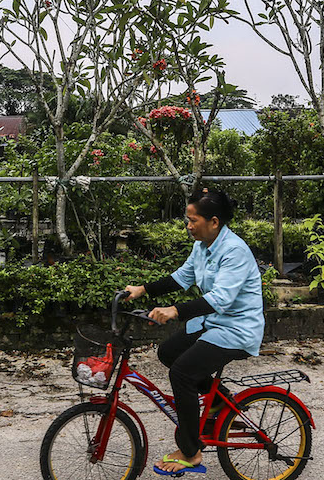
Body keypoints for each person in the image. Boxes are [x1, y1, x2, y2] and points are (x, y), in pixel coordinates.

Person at [124, 188, 264, 475]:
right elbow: (182, 277)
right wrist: (143, 290)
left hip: (237, 329)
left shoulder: (234, 250)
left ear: (214, 221)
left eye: (193, 220)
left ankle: (190, 451)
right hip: (214, 323)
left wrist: (175, 311)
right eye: (187, 220)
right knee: (168, 352)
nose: (188, 226)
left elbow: (222, 298)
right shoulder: (202, 246)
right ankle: (219, 403)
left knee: (182, 373)